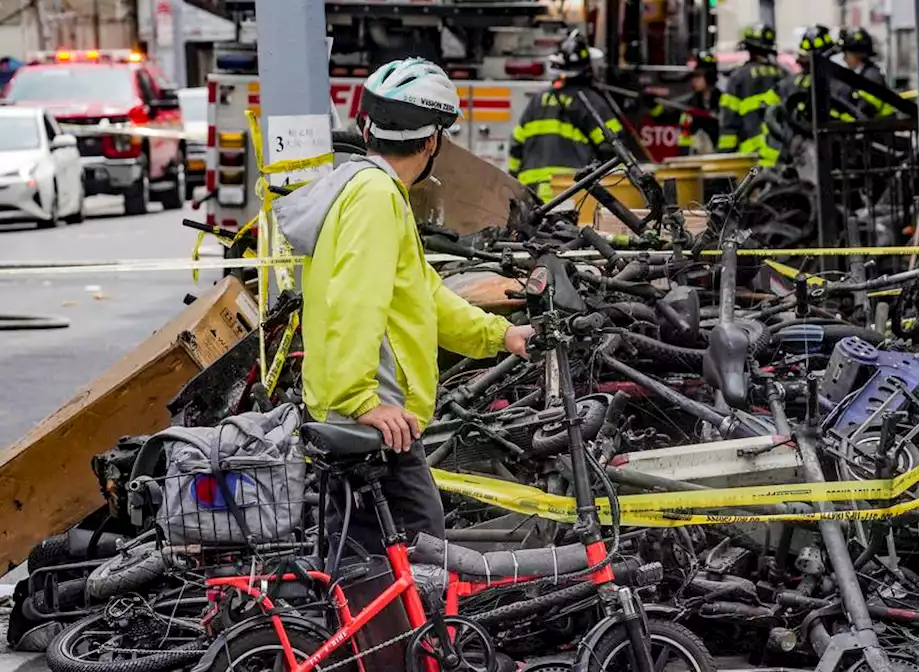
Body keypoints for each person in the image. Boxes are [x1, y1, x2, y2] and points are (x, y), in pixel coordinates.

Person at [275, 58, 535, 553]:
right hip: (374, 422)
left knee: (364, 560)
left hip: (365, 416)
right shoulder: (375, 198)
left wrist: (500, 335)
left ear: (366, 126)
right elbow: (357, 301)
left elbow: (424, 294)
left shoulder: (368, 189)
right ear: (433, 140)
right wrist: (362, 400)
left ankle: (348, 630)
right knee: (418, 555)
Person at [508, 30, 623, 201]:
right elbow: (614, 147)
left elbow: (516, 145)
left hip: (530, 190)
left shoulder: (538, 100)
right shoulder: (590, 101)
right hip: (569, 191)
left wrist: (513, 180)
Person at [757, 24, 858, 167]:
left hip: (785, 161)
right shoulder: (838, 85)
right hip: (823, 162)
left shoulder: (787, 84)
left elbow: (767, 112)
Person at [718, 22, 786, 154]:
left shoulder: (739, 77)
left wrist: (725, 153)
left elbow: (729, 120)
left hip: (750, 153)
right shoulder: (784, 74)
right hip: (780, 151)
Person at [648, 50, 722, 156]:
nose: (694, 81)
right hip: (690, 158)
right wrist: (652, 104)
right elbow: (664, 114)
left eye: (698, 76)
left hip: (717, 157)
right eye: (693, 76)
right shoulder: (689, 103)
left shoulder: (723, 102)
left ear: (709, 77)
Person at [839, 27, 895, 119]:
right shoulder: (859, 74)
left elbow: (867, 108)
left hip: (880, 129)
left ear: (857, 54)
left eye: (846, 53)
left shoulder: (872, 76)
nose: (844, 58)